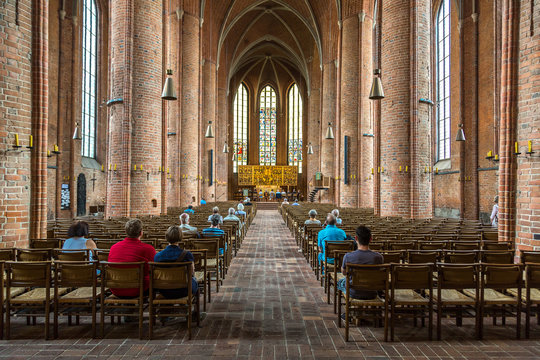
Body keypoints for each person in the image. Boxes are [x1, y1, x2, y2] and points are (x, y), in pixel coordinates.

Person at [108, 219, 156, 297]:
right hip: (138, 289)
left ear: (126, 232)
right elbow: (151, 270)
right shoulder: (148, 249)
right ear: (141, 233)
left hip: (116, 288)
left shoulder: (114, 247)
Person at [337, 226, 383, 303]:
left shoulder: (348, 256)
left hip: (354, 292)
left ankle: (348, 309)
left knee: (340, 282)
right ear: (371, 239)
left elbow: (344, 272)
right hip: (372, 292)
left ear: (356, 239)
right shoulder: (378, 257)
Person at [154, 226, 198, 299]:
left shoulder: (158, 256)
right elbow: (192, 273)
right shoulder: (187, 254)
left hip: (164, 289)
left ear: (166, 237)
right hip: (183, 290)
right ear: (180, 237)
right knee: (195, 281)